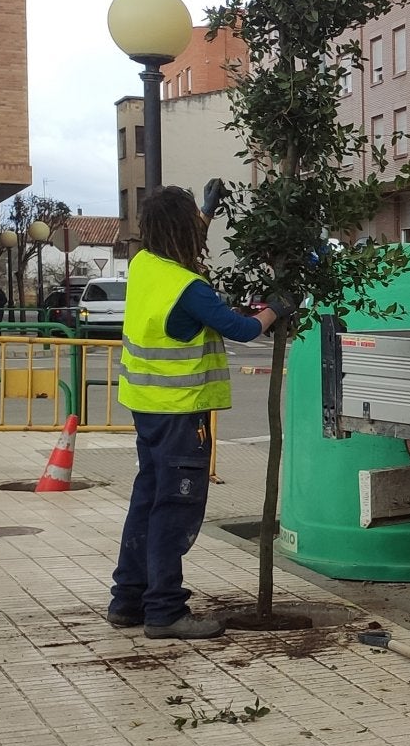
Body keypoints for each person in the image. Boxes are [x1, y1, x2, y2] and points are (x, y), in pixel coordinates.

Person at [109, 183, 293, 640]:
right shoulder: (190, 288)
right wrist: (277, 308)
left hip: (146, 409)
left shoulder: (144, 264)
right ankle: (165, 612)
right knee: (174, 510)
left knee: (147, 502)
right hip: (180, 415)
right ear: (181, 229)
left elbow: (181, 247)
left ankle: (127, 601)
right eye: (194, 219)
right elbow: (242, 329)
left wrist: (207, 210)